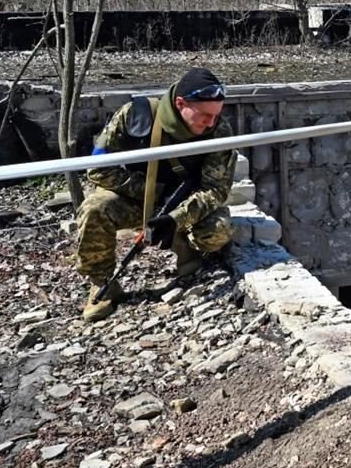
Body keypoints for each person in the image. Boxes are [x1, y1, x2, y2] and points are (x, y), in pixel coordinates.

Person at [76, 67, 236, 322]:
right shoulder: (136, 116)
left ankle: (185, 246)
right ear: (180, 103)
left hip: (183, 205)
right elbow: (97, 169)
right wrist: (150, 193)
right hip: (134, 199)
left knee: (218, 229)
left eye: (216, 115)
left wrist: (175, 219)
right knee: (94, 209)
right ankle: (103, 282)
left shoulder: (219, 130)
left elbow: (215, 190)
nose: (211, 123)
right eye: (205, 115)